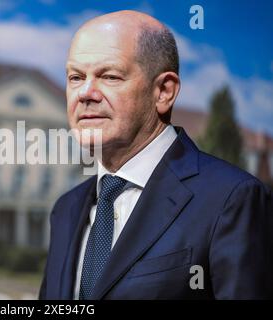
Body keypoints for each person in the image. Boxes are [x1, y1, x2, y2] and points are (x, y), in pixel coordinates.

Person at [39, 10, 272, 300]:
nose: (85, 93)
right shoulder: (66, 209)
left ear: (163, 91)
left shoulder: (231, 199)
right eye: (75, 77)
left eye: (109, 76)